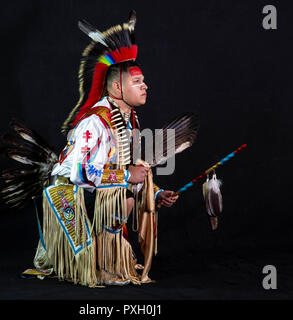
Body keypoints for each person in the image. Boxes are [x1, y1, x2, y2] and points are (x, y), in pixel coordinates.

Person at [20, 11, 180, 287]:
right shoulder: (94, 122)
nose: (145, 86)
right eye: (137, 82)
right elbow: (78, 171)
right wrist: (128, 177)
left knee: (130, 192)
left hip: (97, 193)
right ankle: (102, 265)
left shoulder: (130, 121)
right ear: (118, 86)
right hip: (69, 194)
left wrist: (155, 193)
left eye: (143, 81)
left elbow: (124, 167)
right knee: (123, 196)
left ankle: (109, 261)